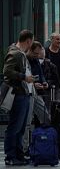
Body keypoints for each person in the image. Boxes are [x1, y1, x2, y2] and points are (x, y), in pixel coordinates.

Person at [3, 30, 34, 165]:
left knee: (20, 127)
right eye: (31, 42)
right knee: (15, 126)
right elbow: (7, 71)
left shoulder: (20, 53)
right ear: (28, 41)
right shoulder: (15, 53)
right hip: (18, 94)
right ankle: (10, 156)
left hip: (24, 93)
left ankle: (18, 155)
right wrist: (23, 77)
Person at [45, 33, 60, 100]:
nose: (59, 41)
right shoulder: (45, 52)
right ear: (51, 40)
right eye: (57, 39)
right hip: (47, 84)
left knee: (57, 105)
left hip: (59, 84)